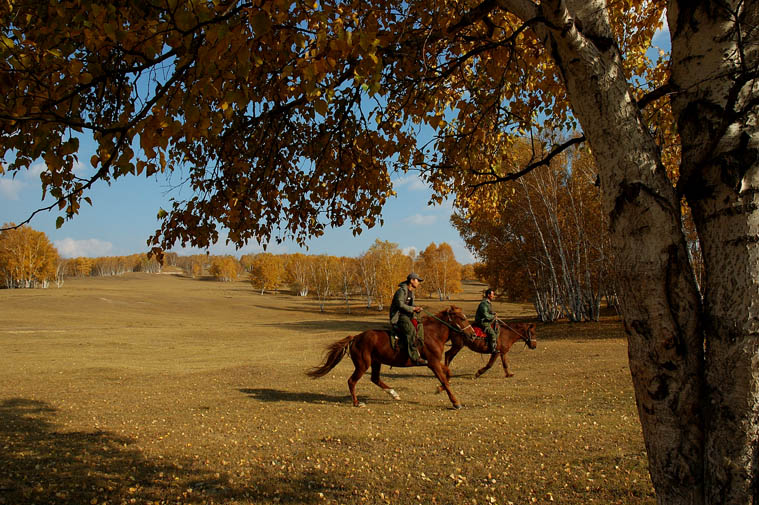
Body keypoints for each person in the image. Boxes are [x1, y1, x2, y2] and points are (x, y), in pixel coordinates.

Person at [390, 272, 427, 365]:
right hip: (399, 316)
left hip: (408, 315)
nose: (418, 283)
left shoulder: (411, 292)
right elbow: (400, 304)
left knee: (420, 326)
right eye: (417, 280)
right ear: (411, 280)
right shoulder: (401, 291)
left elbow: (409, 305)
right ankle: (415, 358)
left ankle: (419, 348)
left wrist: (416, 308)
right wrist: (413, 308)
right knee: (411, 330)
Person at [475, 288, 499, 354]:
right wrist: (493, 316)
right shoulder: (484, 304)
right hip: (482, 322)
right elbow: (486, 315)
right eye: (492, 294)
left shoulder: (488, 303)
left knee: (497, 329)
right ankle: (493, 349)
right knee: (492, 334)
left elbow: (489, 312)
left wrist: (493, 313)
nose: (493, 296)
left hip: (486, 320)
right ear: (488, 295)